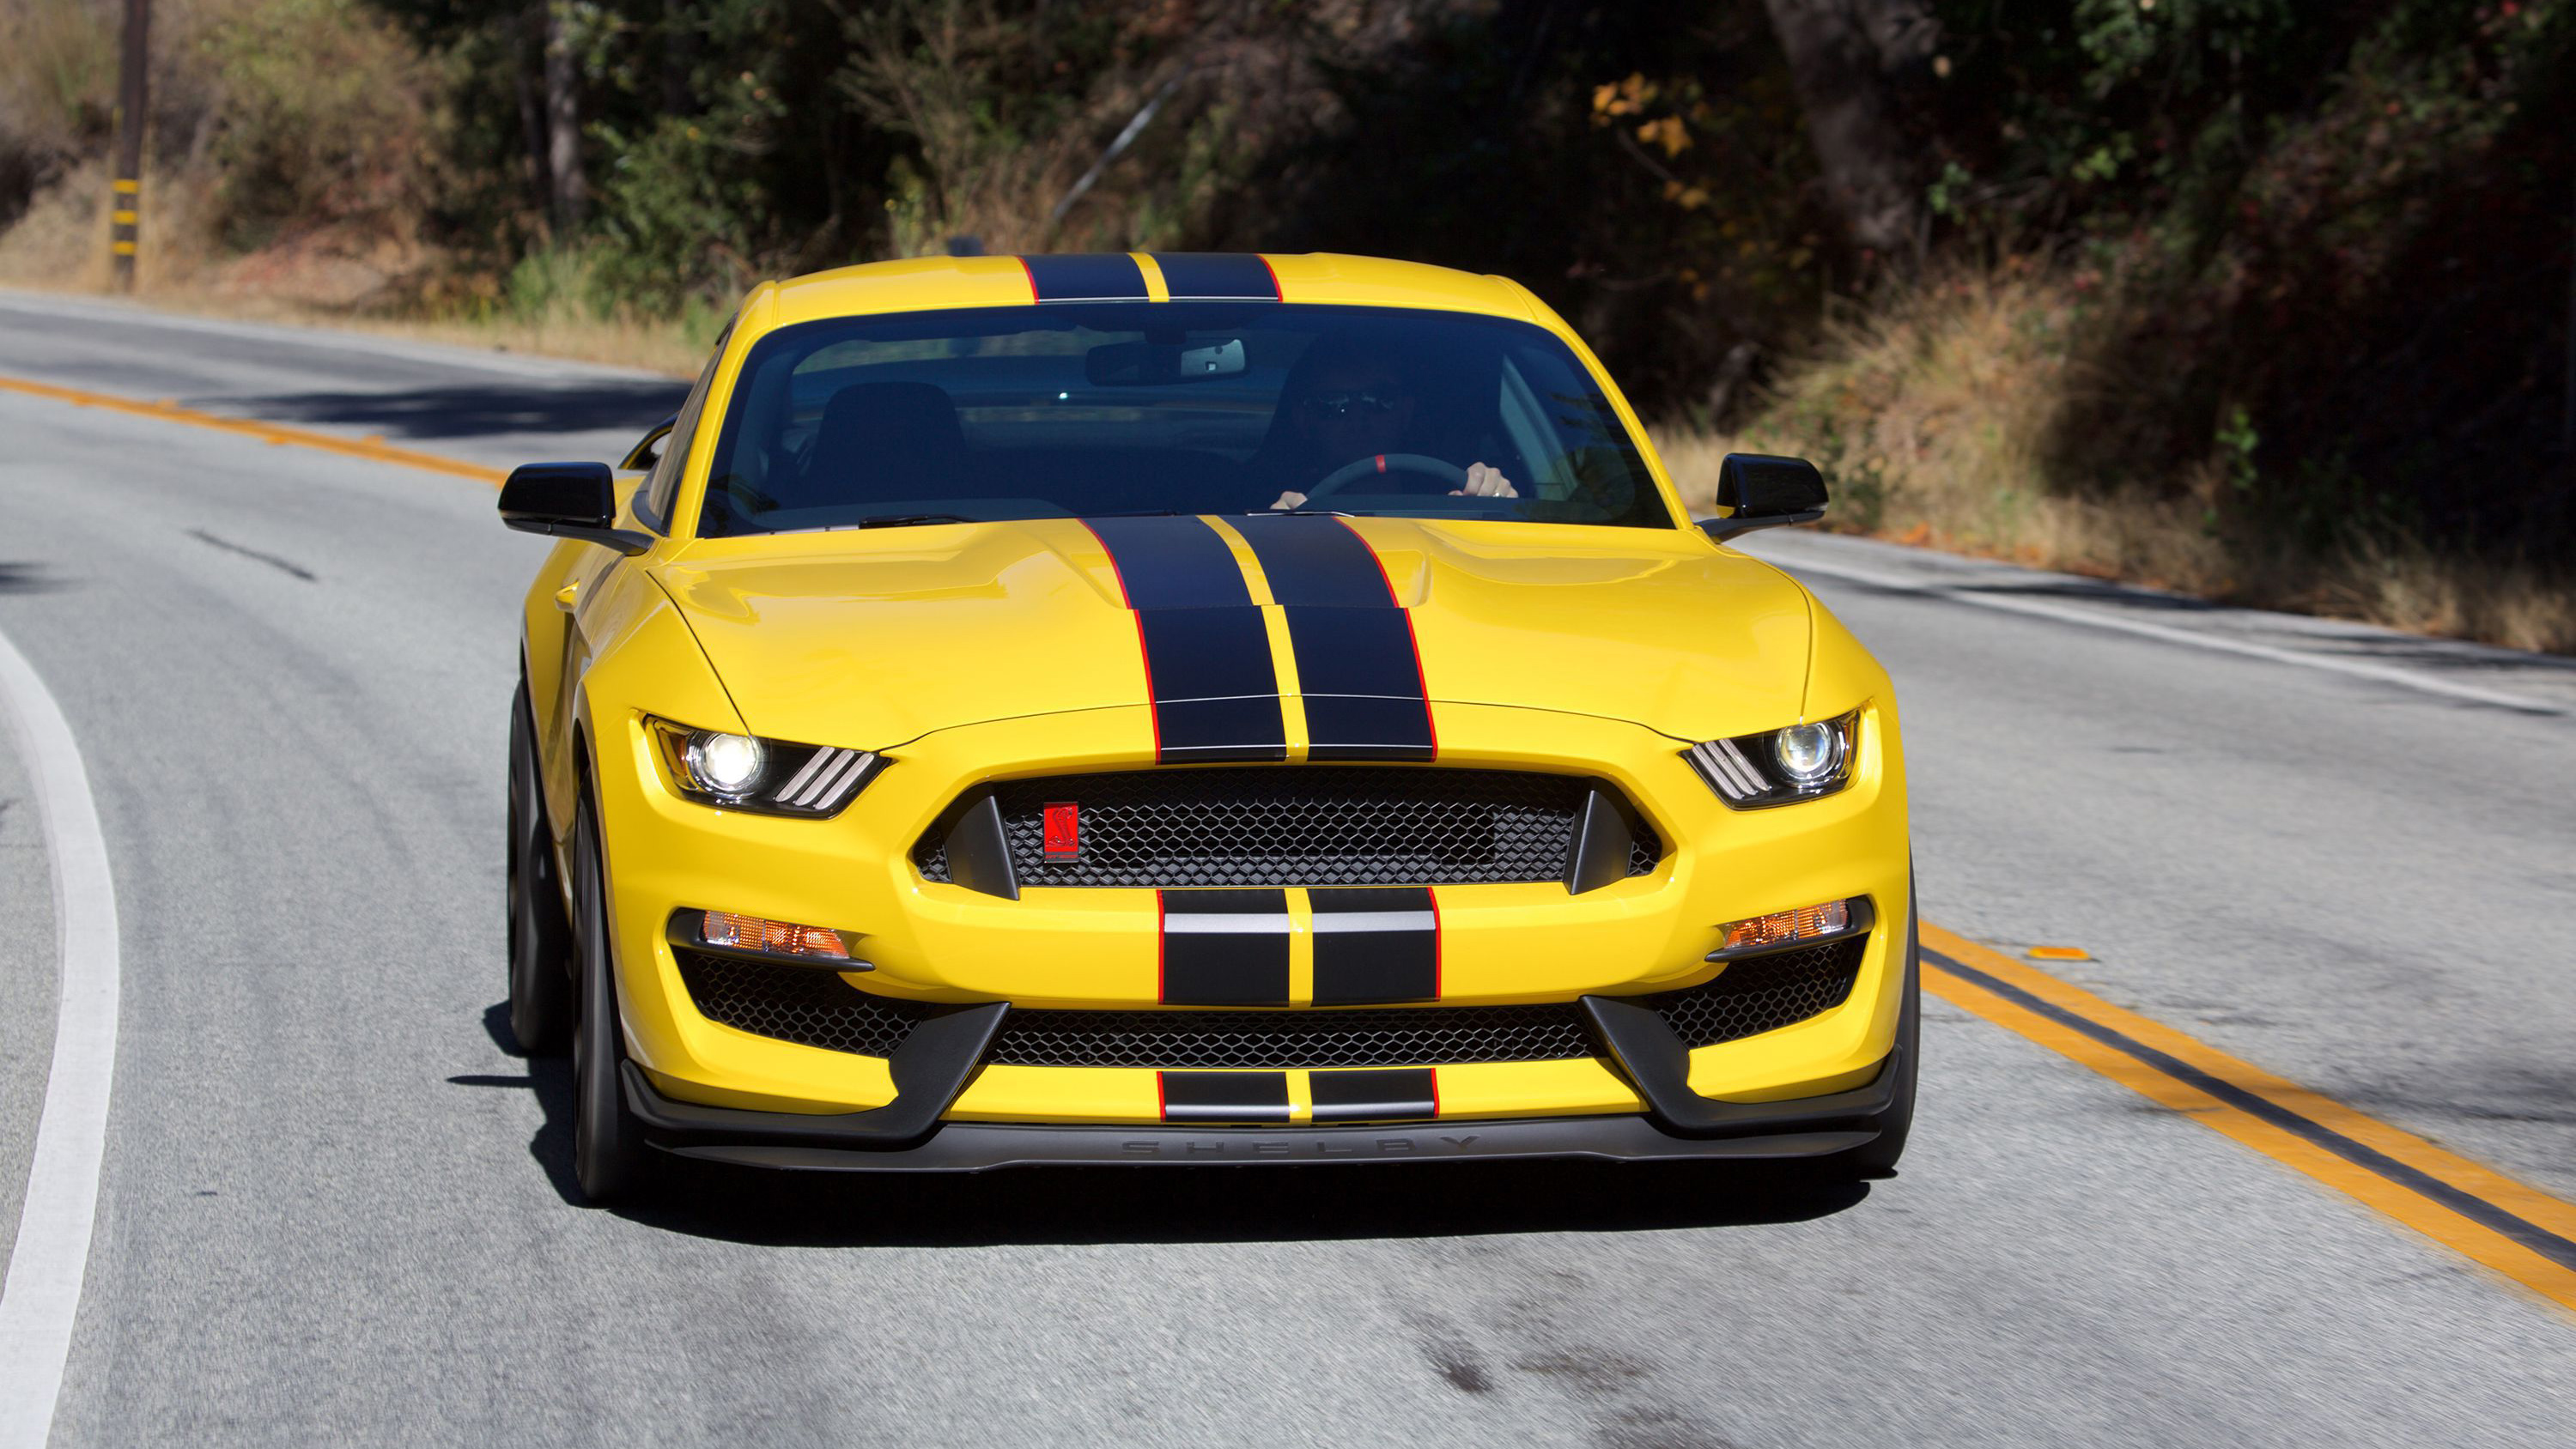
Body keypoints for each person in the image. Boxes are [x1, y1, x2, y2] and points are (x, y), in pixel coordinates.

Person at [1256, 336, 1521, 510]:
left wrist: (1497, 503)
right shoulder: (1269, 498)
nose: (1359, 417)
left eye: (1379, 399)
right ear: (1303, 420)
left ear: (1406, 412)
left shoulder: (1453, 497)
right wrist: (1272, 530)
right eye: (1333, 404)